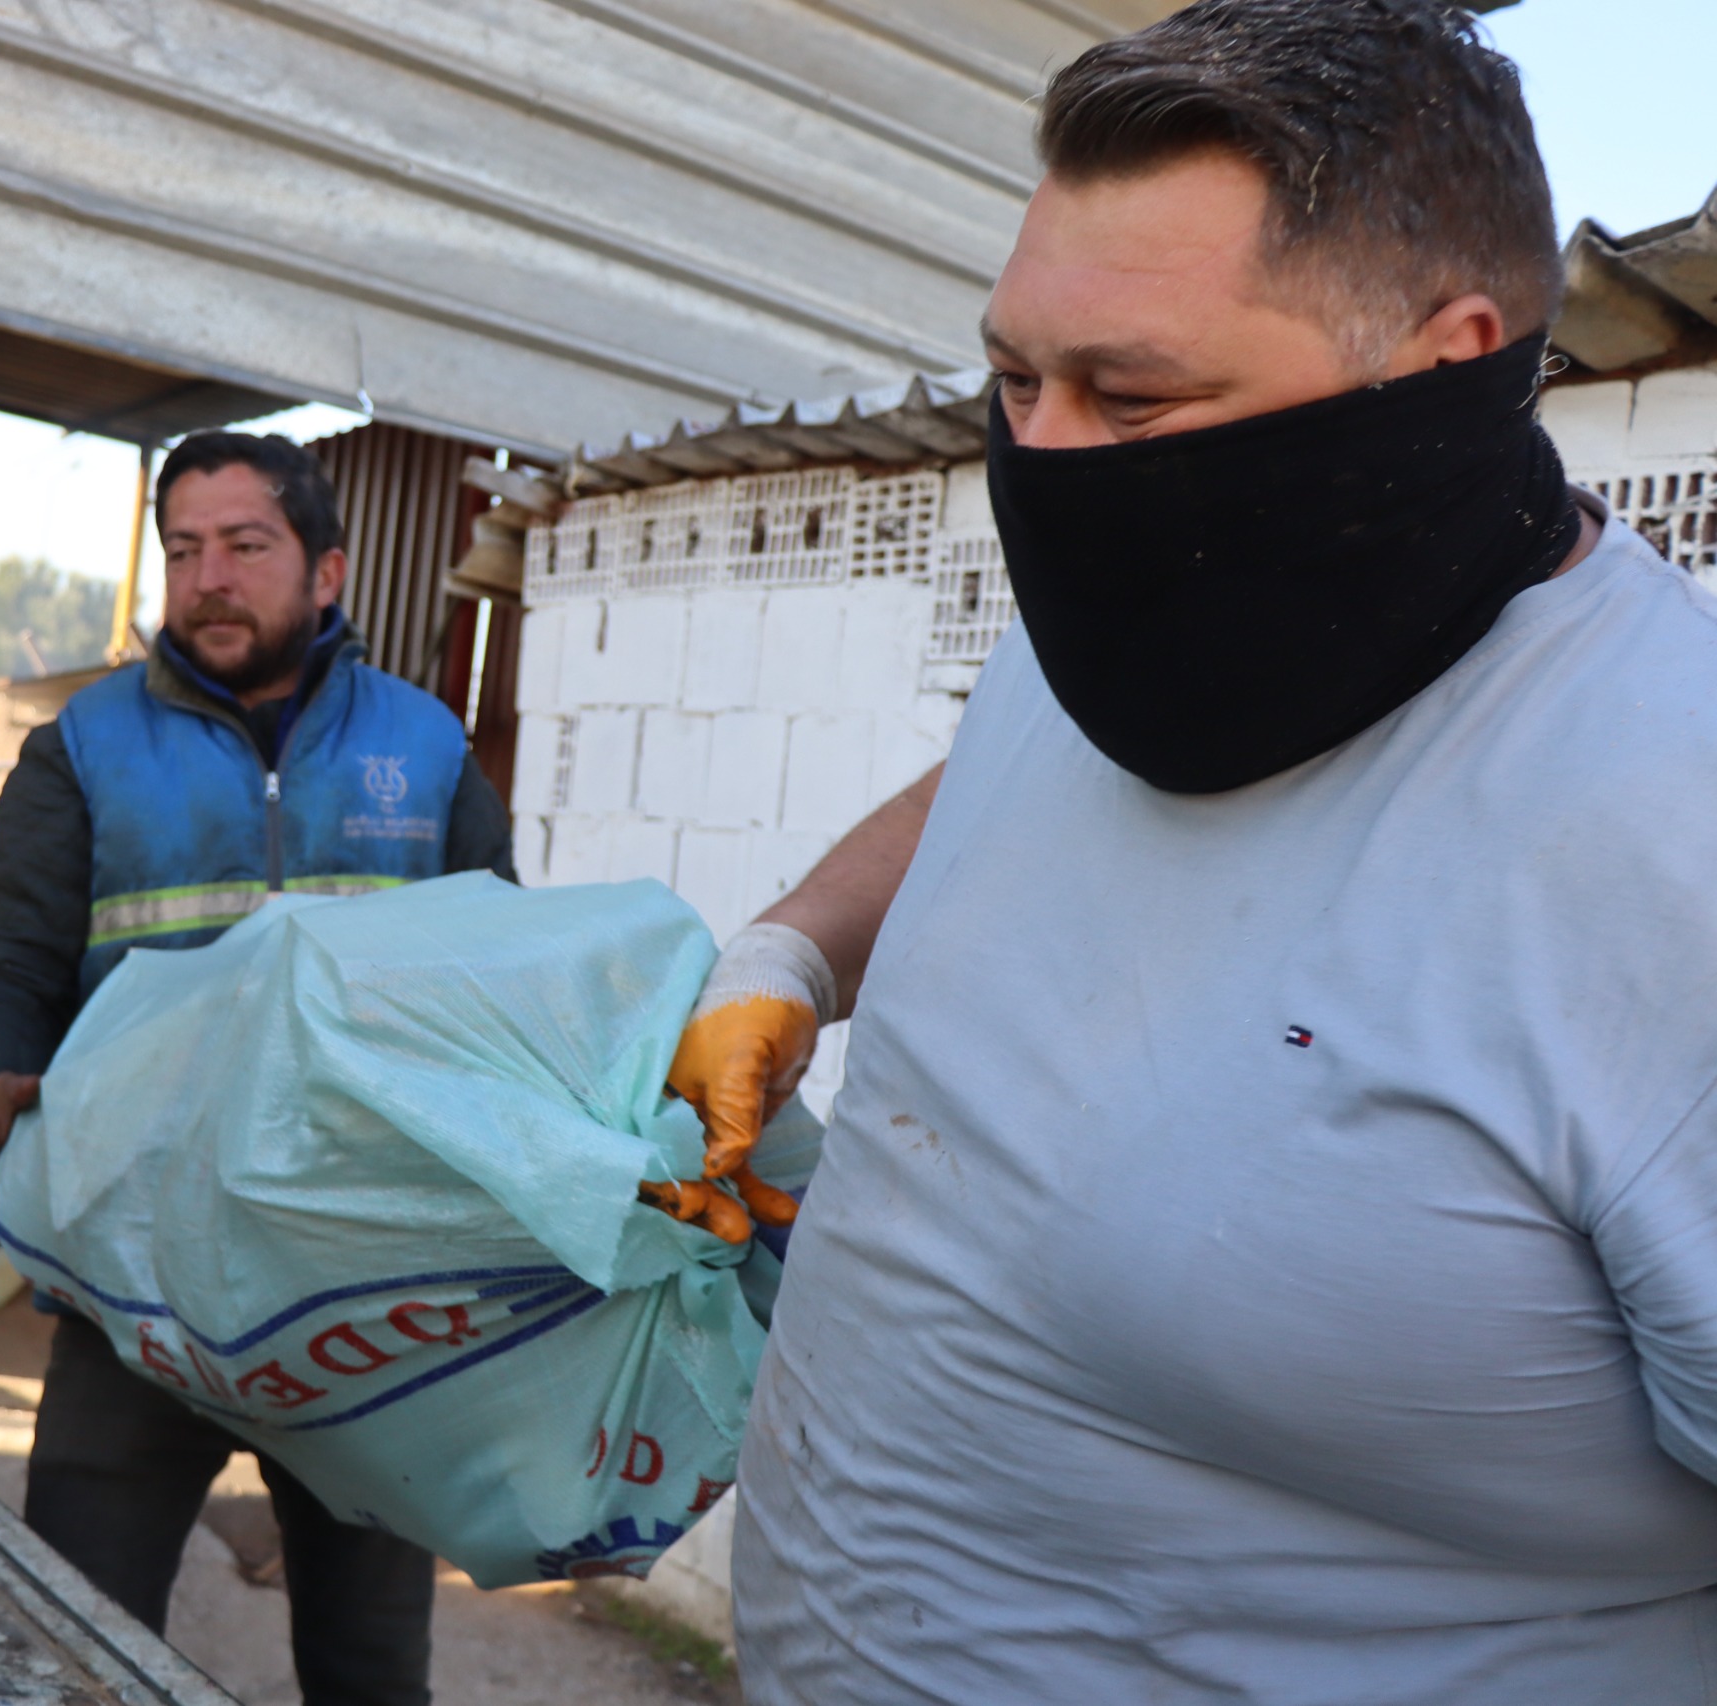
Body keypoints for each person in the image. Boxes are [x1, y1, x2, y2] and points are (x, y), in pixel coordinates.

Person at [664, 3, 1717, 1699]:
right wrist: (793, 948)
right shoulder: (1178, 618)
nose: (1044, 459)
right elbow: (1009, 763)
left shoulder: (1672, 836)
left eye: (1131, 397)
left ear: (1442, 363)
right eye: (1015, 377)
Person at [0, 431, 515, 1706]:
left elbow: (496, 990)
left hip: (362, 1281)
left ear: (329, 570)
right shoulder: (80, 747)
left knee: (368, 1665)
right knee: (76, 1634)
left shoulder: (425, 749)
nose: (207, 577)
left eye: (246, 545)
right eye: (183, 548)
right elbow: (10, 965)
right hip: (136, 1268)